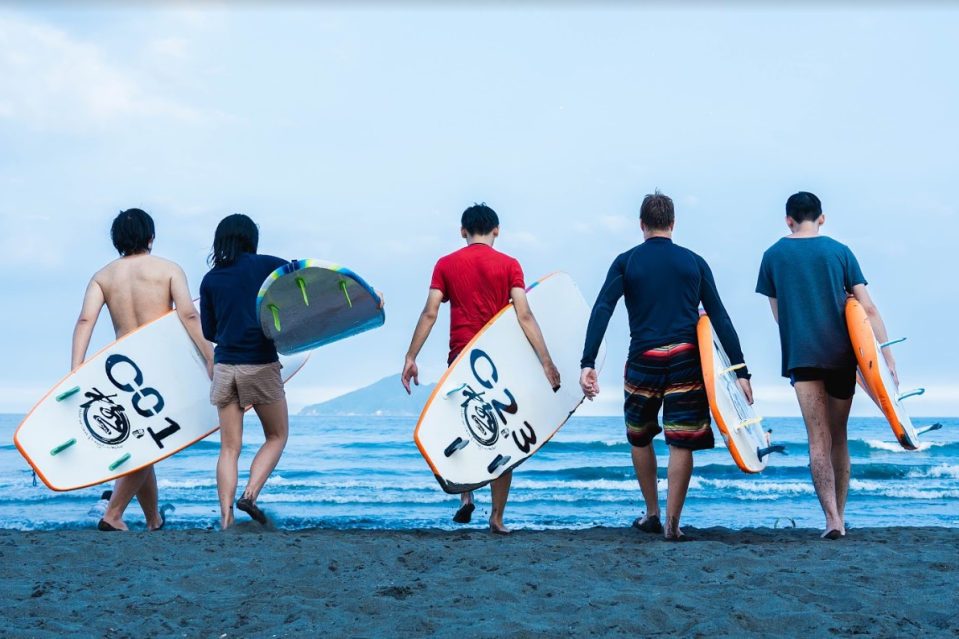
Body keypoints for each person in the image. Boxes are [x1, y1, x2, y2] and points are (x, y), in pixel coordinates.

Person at [579, 190, 752, 541]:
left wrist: (588, 361)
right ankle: (673, 524)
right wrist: (741, 370)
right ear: (673, 224)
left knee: (640, 437)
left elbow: (602, 309)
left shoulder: (626, 262)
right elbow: (719, 316)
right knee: (681, 441)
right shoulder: (694, 262)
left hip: (644, 358)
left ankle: (652, 514)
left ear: (642, 224)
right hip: (687, 358)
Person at [401, 203, 561, 535]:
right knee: (502, 436)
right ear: (496, 231)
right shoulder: (510, 265)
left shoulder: (445, 264)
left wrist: (411, 356)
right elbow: (525, 314)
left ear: (463, 231)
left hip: (461, 361)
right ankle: (497, 518)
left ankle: (465, 498)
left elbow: (430, 312)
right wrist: (546, 360)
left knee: (459, 428)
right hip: (498, 365)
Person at [756, 191, 894, 540]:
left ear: (788, 219)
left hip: (801, 356)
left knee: (817, 438)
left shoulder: (772, 256)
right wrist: (886, 358)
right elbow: (868, 309)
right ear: (821, 218)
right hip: (841, 357)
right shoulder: (840, 252)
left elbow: (779, 315)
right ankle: (842, 517)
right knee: (838, 436)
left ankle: (831, 519)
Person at [72, 208, 214, 531]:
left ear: (116, 241)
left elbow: (85, 321)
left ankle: (153, 520)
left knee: (144, 442)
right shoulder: (168, 270)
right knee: (147, 443)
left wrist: (76, 371)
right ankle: (113, 513)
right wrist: (209, 356)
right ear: (151, 237)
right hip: (162, 368)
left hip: (122, 372)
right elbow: (190, 317)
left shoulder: (102, 277)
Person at [200, 214, 292, 531]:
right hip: (260, 363)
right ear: (251, 238)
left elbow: (210, 330)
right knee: (277, 435)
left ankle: (225, 519)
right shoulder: (267, 265)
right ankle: (250, 495)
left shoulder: (211, 279)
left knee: (229, 447)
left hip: (225, 366)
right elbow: (302, 277)